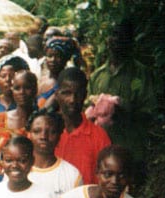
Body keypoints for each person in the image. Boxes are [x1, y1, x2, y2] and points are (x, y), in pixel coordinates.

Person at [88, 20, 158, 163]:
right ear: (107, 40)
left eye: (122, 37)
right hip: (101, 152)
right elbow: (88, 111)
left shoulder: (140, 74)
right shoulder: (97, 75)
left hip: (130, 152)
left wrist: (122, 112)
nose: (116, 40)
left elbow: (149, 114)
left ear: (131, 43)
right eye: (113, 35)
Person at [54, 67, 112, 185]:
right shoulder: (47, 133)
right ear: (57, 95)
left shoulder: (99, 136)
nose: (72, 100)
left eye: (78, 94)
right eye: (66, 93)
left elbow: (105, 181)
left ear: (85, 95)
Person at [0, 70, 38, 169]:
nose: (22, 92)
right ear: (12, 90)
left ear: (35, 90)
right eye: (17, 88)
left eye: (27, 88)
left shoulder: (42, 123)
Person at [27, 109, 83, 195]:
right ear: (29, 135)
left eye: (51, 132)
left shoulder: (72, 175)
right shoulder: (16, 170)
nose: (43, 136)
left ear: (59, 137)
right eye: (37, 131)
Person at [37, 37, 76, 110]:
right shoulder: (41, 79)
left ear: (65, 59)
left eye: (58, 56)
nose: (53, 60)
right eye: (50, 56)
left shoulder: (66, 84)